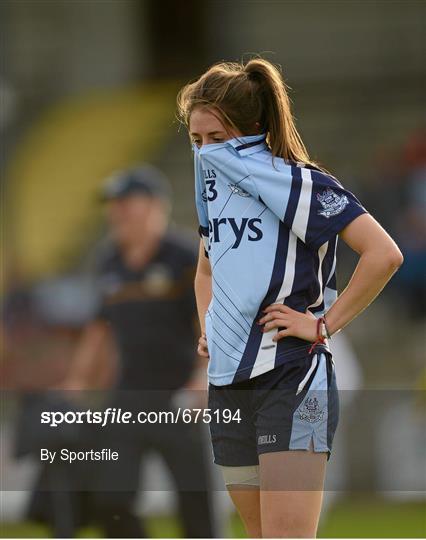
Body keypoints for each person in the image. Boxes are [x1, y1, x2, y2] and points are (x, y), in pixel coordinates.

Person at [177, 58, 403, 538]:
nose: (206, 153)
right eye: (197, 142)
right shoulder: (214, 194)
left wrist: (323, 325)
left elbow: (383, 254)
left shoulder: (302, 183)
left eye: (216, 139)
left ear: (253, 129)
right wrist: (209, 326)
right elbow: (204, 269)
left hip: (293, 376)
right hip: (228, 385)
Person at [62, 165, 214, 538]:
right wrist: (77, 382)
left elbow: (207, 325)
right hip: (127, 397)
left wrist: (202, 379)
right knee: (110, 498)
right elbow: (99, 331)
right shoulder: (108, 261)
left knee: (195, 502)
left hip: (178, 397)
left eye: (125, 203)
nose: (116, 212)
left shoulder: (184, 257)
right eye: (113, 205)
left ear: (154, 206)